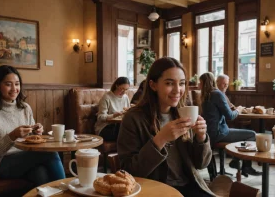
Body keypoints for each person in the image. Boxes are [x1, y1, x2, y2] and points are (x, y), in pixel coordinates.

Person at [118, 57, 214, 197]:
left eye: (181, 83)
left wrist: (202, 138)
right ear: (153, 85)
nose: (177, 90)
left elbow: (201, 164)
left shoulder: (183, 114)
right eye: (169, 83)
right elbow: (129, 172)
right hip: (155, 190)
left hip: (190, 186)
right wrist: (160, 139)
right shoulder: (133, 118)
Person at [0, 65, 65, 187]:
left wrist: (36, 133)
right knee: (49, 152)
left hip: (24, 160)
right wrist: (12, 136)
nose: (14, 88)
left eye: (17, 84)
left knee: (41, 174)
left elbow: (29, 138)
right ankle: (67, 192)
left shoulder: (24, 107)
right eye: (8, 84)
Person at [199, 72, 262, 177]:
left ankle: (238, 162)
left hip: (208, 134)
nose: (198, 85)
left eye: (199, 83)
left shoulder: (205, 96)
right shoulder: (217, 94)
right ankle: (240, 162)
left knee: (247, 134)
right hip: (218, 134)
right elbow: (230, 116)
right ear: (214, 81)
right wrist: (238, 110)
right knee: (252, 134)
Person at [95, 77, 131, 141]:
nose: (124, 92)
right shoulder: (107, 97)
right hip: (105, 128)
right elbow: (100, 117)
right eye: (122, 89)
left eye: (126, 89)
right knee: (126, 131)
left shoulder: (125, 97)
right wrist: (114, 115)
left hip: (120, 126)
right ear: (117, 85)